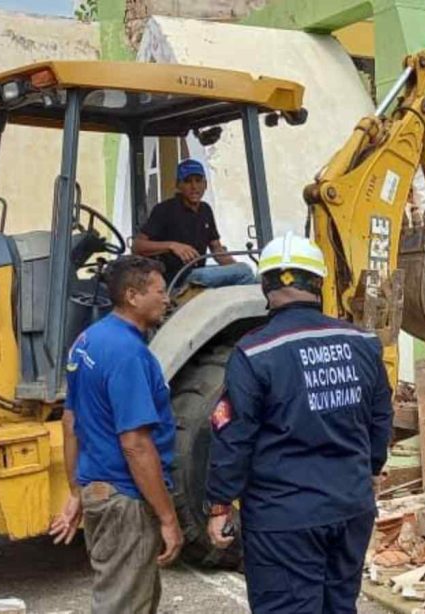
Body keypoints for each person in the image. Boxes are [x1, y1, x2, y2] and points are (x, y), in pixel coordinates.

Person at [203, 232, 393, 613]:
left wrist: (219, 505)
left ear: (266, 284)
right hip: (350, 508)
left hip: (284, 519)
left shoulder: (255, 352)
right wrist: (368, 470)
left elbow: (234, 438)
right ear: (319, 283)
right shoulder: (362, 342)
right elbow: (380, 419)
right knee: (339, 605)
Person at [49, 255, 183, 614]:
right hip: (126, 500)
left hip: (101, 493)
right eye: (158, 291)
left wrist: (78, 490)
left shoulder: (87, 341)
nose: (166, 298)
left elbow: (71, 420)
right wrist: (169, 518)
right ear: (133, 296)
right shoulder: (129, 355)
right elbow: (136, 444)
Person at [133, 158, 257, 289]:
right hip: (177, 279)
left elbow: (216, 248)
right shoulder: (165, 210)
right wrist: (172, 246)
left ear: (205, 184)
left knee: (251, 276)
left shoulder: (206, 210)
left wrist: (235, 268)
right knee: (244, 271)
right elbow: (138, 246)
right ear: (178, 185)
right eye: (188, 181)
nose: (194, 187)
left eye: (198, 181)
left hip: (200, 272)